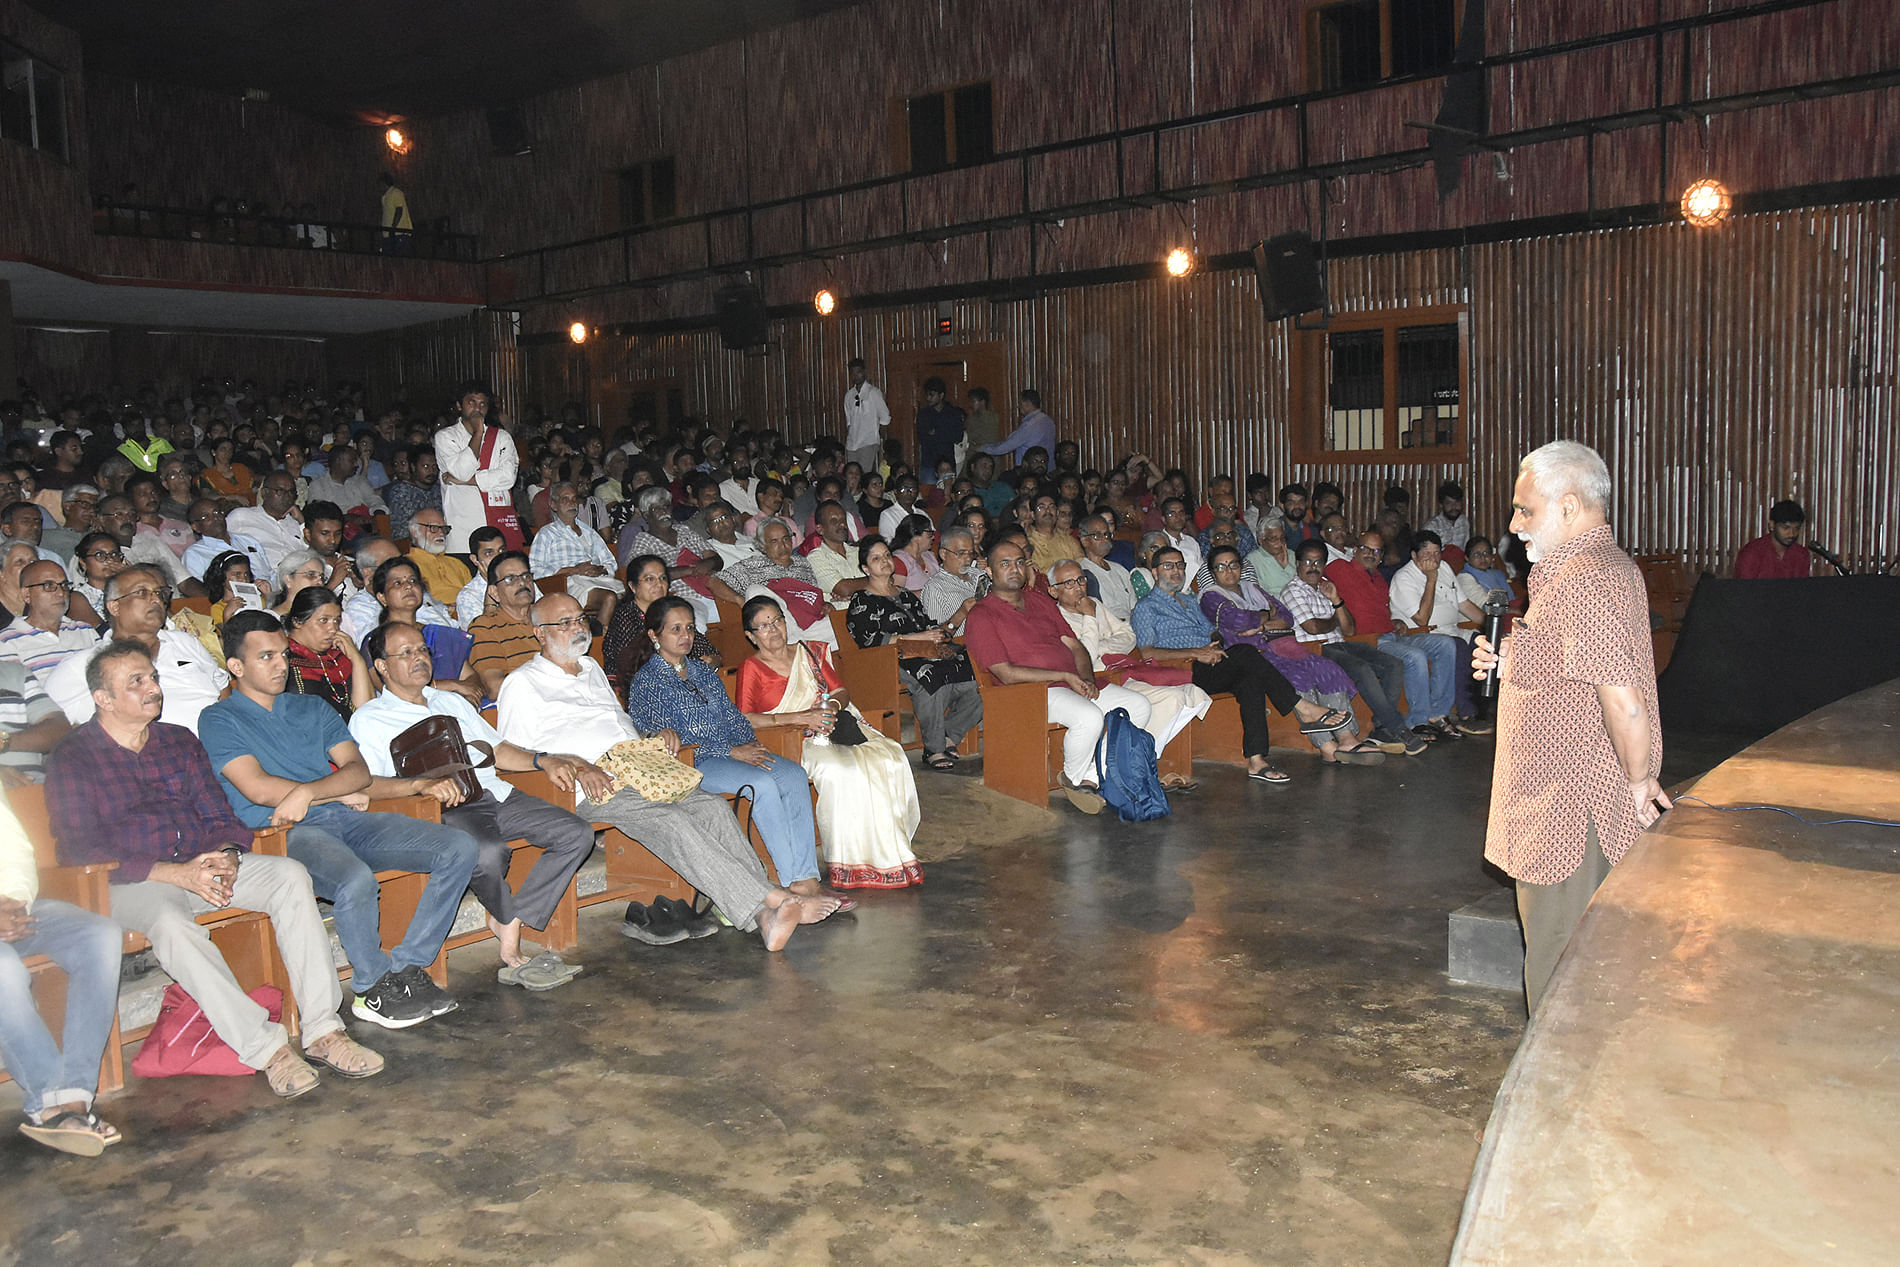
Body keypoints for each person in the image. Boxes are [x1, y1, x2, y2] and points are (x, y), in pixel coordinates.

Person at [47, 639, 384, 1098]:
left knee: (288, 876)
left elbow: (219, 814)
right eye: (137, 682)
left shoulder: (177, 741)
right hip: (133, 879)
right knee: (170, 923)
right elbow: (79, 847)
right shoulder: (74, 756)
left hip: (202, 864)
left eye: (154, 677)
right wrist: (176, 873)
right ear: (103, 699)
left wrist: (225, 853)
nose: (154, 688)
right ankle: (267, 1050)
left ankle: (324, 1030)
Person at [495, 594, 841, 951]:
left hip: (642, 766)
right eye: (564, 622)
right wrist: (577, 766)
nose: (578, 627)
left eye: (580, 619)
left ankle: (765, 916)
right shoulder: (523, 684)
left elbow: (621, 725)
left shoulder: (590, 669)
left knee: (712, 809)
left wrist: (651, 737)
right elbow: (512, 756)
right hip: (592, 783)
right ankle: (773, 901)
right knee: (672, 821)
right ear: (539, 632)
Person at [199, 610, 480, 1029]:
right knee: (355, 879)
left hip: (341, 817)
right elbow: (255, 787)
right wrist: (328, 790)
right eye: (266, 657)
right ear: (236, 667)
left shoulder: (310, 707)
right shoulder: (219, 718)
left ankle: (405, 968)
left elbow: (358, 772)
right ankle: (370, 988)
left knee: (457, 847)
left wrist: (311, 791)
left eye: (283, 655)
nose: (280, 665)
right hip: (281, 832)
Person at [1475, 440, 1666, 1014]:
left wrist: (1639, 782)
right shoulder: (1590, 569)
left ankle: (1556, 1095)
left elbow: (1623, 698)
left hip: (1570, 811)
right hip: (1560, 800)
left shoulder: (1584, 576)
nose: (1513, 526)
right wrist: (1511, 661)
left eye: (1525, 510)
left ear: (1568, 506)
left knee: (1563, 969)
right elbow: (1572, 661)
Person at [351, 621, 591, 984]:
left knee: (576, 833)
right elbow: (366, 785)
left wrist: (543, 759)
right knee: (488, 852)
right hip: (443, 808)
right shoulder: (370, 719)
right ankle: (507, 920)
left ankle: (509, 915)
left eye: (422, 650)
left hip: (494, 792)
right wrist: (421, 785)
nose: (419, 658)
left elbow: (496, 750)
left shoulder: (449, 701)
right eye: (406, 653)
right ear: (382, 666)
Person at [628, 597, 829, 895]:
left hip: (732, 752)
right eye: (676, 629)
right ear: (654, 635)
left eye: (690, 628)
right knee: (760, 783)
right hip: (693, 763)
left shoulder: (702, 671)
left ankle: (806, 877)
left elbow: (732, 716)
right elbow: (664, 736)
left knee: (793, 775)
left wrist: (748, 744)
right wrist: (731, 752)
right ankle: (790, 882)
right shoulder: (648, 681)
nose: (686, 636)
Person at [740, 595, 922, 889]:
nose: (773, 629)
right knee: (842, 771)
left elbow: (840, 692)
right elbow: (746, 718)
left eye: (777, 620)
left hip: (832, 727)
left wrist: (830, 709)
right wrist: (803, 718)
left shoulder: (808, 652)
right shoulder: (752, 668)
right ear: (751, 636)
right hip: (791, 739)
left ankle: (891, 854)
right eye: (763, 626)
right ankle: (850, 862)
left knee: (888, 757)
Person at [963, 539, 1156, 813]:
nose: (1014, 569)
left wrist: (1087, 678)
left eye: (1019, 562)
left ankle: (1089, 775)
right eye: (1004, 564)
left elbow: (1075, 645)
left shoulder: (1039, 600)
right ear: (991, 572)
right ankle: (1075, 778)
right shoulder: (982, 615)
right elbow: (1005, 673)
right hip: (1026, 692)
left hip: (1069, 683)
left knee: (1138, 706)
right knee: (1089, 717)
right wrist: (1065, 676)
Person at [1132, 547, 1352, 784]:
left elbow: (1213, 632)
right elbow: (1147, 652)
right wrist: (1198, 653)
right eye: (1168, 566)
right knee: (1246, 653)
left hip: (1212, 662)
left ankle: (1257, 760)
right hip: (1183, 669)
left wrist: (1215, 645)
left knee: (1251, 679)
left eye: (1180, 565)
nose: (1176, 571)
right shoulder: (1146, 607)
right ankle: (1301, 707)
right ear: (1154, 572)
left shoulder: (1189, 601)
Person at [0, 794, 124, 1154]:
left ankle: (73, 1094)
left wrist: (13, 901)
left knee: (99, 935)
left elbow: (14, 850)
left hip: (8, 910)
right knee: (4, 969)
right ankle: (48, 1100)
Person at [1198, 546, 1382, 766]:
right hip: (1253, 654)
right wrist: (1267, 615)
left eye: (1234, 564)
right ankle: (1326, 746)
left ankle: (1347, 738)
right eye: (1221, 567)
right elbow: (1237, 621)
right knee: (1296, 678)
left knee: (1326, 669)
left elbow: (1286, 616)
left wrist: (1258, 624)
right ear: (1212, 572)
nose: (1229, 571)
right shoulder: (1210, 596)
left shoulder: (1253, 589)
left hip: (1283, 645)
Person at [1048, 559, 1209, 790]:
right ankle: (1133, 766)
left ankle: (1137, 763)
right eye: (1069, 583)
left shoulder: (1094, 604)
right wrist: (1090, 621)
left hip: (1120, 671)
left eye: (1081, 579)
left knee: (1192, 694)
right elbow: (1083, 656)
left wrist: (1101, 646)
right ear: (1054, 590)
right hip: (1099, 681)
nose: (1079, 587)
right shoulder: (1058, 618)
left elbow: (1128, 635)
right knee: (1172, 699)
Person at [847, 537, 982, 770]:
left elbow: (928, 626)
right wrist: (916, 638)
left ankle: (950, 733)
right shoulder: (862, 599)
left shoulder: (907, 595)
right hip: (888, 658)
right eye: (876, 558)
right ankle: (934, 748)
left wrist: (948, 625)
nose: (885, 561)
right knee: (931, 675)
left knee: (979, 674)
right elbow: (870, 640)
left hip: (926, 651)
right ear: (865, 568)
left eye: (887, 555)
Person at [1281, 541, 1422, 756]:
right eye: (1308, 562)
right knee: (1362, 668)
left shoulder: (1327, 587)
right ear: (1298, 564)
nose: (1313, 567)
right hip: (1317, 650)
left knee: (1393, 664)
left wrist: (1336, 601)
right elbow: (1312, 627)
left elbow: (1349, 628)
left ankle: (1382, 729)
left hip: (1341, 644)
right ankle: (1396, 727)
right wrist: (1334, 620)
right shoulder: (1292, 591)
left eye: (1318, 562)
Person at [47, 567, 229, 732]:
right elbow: (49, 725)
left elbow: (223, 688)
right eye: (142, 592)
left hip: (222, 750)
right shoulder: (83, 665)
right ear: (115, 606)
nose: (156, 599)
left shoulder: (185, 642)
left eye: (160, 593)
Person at [1326, 529, 1466, 744]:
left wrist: (1394, 621)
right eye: (1365, 549)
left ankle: (1438, 714)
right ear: (1354, 550)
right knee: (1414, 656)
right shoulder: (1339, 568)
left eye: (1377, 551)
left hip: (1393, 634)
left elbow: (1378, 611)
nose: (1371, 554)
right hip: (1368, 642)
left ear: (1381, 556)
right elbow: (1315, 571)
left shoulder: (1379, 578)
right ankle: (1417, 722)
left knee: (1446, 644)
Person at [1389, 530, 1491, 730]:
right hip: (1420, 634)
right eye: (1427, 554)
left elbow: (1464, 604)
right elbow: (1421, 619)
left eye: (1437, 553)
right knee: (1458, 646)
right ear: (1414, 555)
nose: (1433, 559)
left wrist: (1491, 628)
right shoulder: (1403, 578)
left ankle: (1486, 708)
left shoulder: (1443, 567)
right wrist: (1431, 580)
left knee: (1484, 644)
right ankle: (1466, 714)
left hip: (1453, 629)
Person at [708, 519, 836, 648]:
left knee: (843, 623)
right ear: (762, 546)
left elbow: (812, 596)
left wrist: (825, 605)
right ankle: (796, 644)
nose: (783, 545)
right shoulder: (753, 565)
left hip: (810, 627)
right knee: (755, 591)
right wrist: (739, 600)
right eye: (774, 541)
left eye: (786, 539)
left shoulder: (804, 564)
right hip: (777, 629)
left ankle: (800, 648)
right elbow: (713, 582)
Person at [368, 556, 479, 700]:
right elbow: (392, 691)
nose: (408, 586)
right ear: (382, 598)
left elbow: (472, 679)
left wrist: (469, 700)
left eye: (413, 581)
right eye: (397, 583)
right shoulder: (375, 642)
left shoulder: (439, 635)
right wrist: (452, 685)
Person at [435, 382, 523, 554]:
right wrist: (478, 434)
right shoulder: (445, 437)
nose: (478, 408)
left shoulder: (502, 437)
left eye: (483, 404)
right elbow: (461, 471)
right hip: (463, 528)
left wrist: (466, 481)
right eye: (472, 402)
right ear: (459, 405)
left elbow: (507, 477)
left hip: (498, 522)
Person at [529, 482, 623, 629]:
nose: (572, 503)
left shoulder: (589, 532)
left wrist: (599, 569)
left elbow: (610, 562)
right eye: (565, 499)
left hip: (598, 578)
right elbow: (535, 570)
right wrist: (574, 570)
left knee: (630, 597)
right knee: (610, 598)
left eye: (574, 498)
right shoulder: (547, 534)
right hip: (568, 583)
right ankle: (598, 640)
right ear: (553, 505)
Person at [281, 585, 376, 719]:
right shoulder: (283, 659)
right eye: (323, 620)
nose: (333, 629)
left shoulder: (339, 658)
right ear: (297, 621)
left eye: (337, 620)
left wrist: (357, 659)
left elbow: (366, 710)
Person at [0, 560, 99, 687]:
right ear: (27, 595)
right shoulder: (7, 641)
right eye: (48, 585)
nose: (60, 593)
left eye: (64, 585)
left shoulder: (84, 630)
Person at [467, 551, 543, 698]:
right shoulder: (484, 627)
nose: (522, 583)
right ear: (494, 593)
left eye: (526, 576)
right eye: (510, 579)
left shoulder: (548, 615)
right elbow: (494, 687)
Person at [226, 472, 305, 573]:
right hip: (264, 580)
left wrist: (302, 522)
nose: (287, 496)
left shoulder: (295, 522)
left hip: (300, 577)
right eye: (280, 491)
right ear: (264, 493)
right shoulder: (241, 516)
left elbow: (310, 552)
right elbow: (218, 545)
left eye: (291, 492)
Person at [182, 499, 272, 583]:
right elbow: (202, 592)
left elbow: (271, 574)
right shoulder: (194, 554)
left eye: (216, 512)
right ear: (195, 527)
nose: (215, 518)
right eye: (206, 517)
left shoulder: (248, 541)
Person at [805, 500, 870, 609]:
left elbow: (888, 579)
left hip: (871, 611)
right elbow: (843, 588)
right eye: (834, 521)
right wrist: (876, 580)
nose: (842, 524)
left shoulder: (858, 551)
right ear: (820, 529)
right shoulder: (815, 557)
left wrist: (853, 591)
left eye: (843, 519)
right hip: (841, 618)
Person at [921, 525, 984, 632]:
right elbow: (937, 636)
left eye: (971, 553)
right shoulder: (935, 588)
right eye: (961, 553)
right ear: (943, 554)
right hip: (964, 645)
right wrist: (962, 613)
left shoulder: (980, 575)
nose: (968, 558)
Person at [1734, 499, 1815, 579]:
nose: (1792, 534)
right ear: (1772, 525)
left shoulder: (1801, 554)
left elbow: (1803, 589)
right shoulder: (1752, 553)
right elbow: (1744, 589)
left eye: (1796, 528)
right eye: (1785, 528)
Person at [304, 445, 386, 522]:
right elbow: (318, 516)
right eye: (352, 460)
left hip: (366, 526)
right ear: (338, 461)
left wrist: (378, 513)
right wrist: (347, 518)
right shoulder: (318, 485)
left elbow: (375, 500)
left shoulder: (360, 481)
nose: (356, 464)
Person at [980, 389, 1057, 469]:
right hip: (1047, 469)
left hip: (1031, 471)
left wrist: (982, 449)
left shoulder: (1029, 425)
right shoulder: (1049, 421)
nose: (1018, 406)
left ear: (1027, 403)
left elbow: (1006, 446)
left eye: (1020, 403)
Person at [384, 444, 441, 543]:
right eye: (426, 466)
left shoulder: (438, 489)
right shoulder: (402, 492)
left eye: (435, 466)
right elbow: (401, 532)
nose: (431, 471)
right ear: (413, 467)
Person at [842, 357, 890, 474]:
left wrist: (880, 439)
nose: (855, 376)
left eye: (858, 372)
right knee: (851, 475)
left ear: (864, 372)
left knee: (864, 475)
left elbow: (885, 418)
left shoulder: (874, 393)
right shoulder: (849, 395)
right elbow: (849, 422)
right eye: (852, 373)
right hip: (852, 443)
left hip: (868, 442)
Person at [455, 526, 507, 626]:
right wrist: (492, 582)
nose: (498, 558)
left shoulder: (521, 578)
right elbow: (482, 634)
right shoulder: (468, 596)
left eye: (501, 551)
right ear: (475, 560)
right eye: (489, 553)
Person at [913, 377, 965, 475]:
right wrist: (945, 432)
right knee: (927, 489)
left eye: (931, 395)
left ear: (941, 395)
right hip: (929, 464)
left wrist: (936, 432)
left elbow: (958, 437)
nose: (928, 398)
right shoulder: (923, 414)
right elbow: (923, 438)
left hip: (948, 463)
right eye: (927, 395)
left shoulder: (953, 413)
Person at [1245, 518, 1296, 597]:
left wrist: (1286, 566)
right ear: (1261, 540)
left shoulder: (1292, 554)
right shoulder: (1252, 560)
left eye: (1282, 538)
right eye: (1273, 539)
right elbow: (1258, 594)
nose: (1279, 543)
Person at [1422, 480, 1471, 551]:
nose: (1454, 507)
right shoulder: (1431, 527)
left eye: (1457, 502)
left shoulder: (1464, 521)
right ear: (1441, 505)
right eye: (1449, 503)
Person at [378, 172, 412, 254]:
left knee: (398, 256)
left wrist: (393, 227)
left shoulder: (396, 193)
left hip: (399, 232)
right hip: (388, 234)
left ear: (384, 183)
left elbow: (399, 210)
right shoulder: (384, 197)